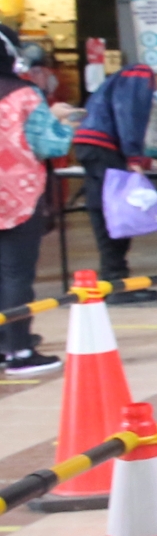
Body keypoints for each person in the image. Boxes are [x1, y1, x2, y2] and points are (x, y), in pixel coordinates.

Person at [0, 25, 78, 376]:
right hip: (18, 197)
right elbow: (51, 145)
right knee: (16, 273)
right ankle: (18, 349)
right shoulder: (26, 95)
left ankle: (4, 346)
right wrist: (62, 119)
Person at [72, 61, 157, 303]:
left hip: (93, 144)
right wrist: (134, 157)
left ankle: (113, 278)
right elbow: (128, 114)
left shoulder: (122, 78)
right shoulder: (140, 73)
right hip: (103, 146)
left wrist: (146, 162)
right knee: (118, 211)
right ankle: (115, 282)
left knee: (102, 207)